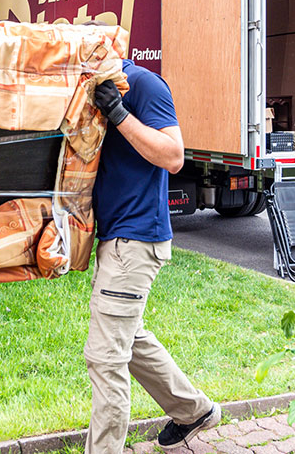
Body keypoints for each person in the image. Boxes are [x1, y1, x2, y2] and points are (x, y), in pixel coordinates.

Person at [86, 60, 219, 452]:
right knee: (130, 339)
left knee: (105, 359)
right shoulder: (90, 90)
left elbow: (173, 155)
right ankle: (193, 411)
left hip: (136, 242)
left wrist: (119, 114)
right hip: (117, 240)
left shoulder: (144, 85)